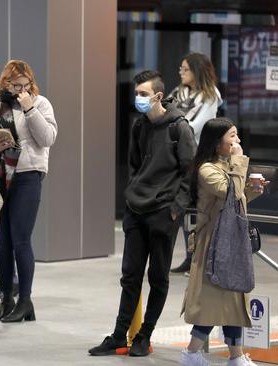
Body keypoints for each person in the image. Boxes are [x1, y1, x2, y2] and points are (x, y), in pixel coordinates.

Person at [88, 70, 196, 357]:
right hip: (136, 209)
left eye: (144, 94)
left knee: (158, 276)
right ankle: (119, 335)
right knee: (130, 276)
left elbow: (190, 173)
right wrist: (132, 194)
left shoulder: (179, 128)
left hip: (164, 212)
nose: (138, 99)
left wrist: (176, 209)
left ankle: (144, 335)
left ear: (159, 96)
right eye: (137, 94)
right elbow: (134, 165)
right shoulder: (139, 126)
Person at [0, 60, 57, 322]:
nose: (21, 90)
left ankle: (25, 301)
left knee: (20, 239)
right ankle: (6, 299)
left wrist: (30, 110)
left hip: (27, 175)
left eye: (26, 85)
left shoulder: (40, 104)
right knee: (2, 243)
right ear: (4, 83)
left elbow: (48, 139)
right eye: (15, 85)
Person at [180, 118, 267, 366]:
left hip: (232, 240)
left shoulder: (230, 166)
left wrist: (254, 189)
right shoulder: (207, 169)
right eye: (232, 136)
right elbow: (228, 193)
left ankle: (235, 356)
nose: (237, 141)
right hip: (213, 244)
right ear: (217, 142)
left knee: (233, 298)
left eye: (237, 135)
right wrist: (240, 164)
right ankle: (192, 353)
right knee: (214, 299)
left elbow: (237, 200)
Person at [170, 53, 222, 275]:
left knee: (198, 209)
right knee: (183, 209)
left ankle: (200, 257)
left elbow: (195, 126)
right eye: (181, 68)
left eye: (185, 69)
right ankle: (190, 255)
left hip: (197, 157)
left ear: (196, 71)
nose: (181, 72)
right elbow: (165, 112)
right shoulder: (178, 92)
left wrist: (173, 127)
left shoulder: (209, 95)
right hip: (177, 156)